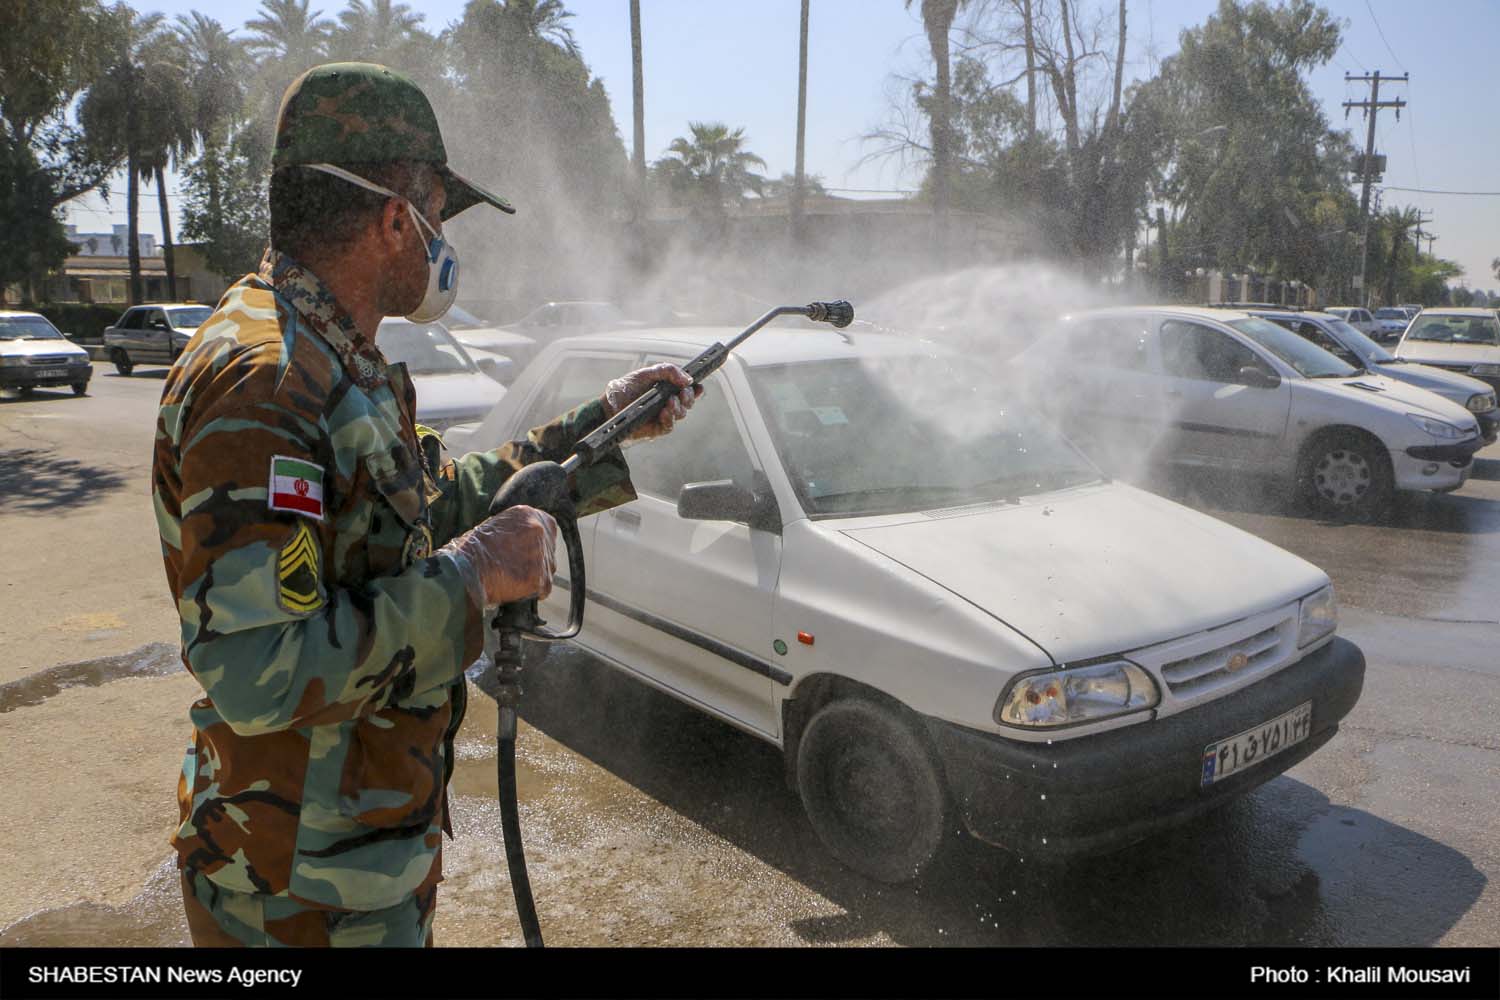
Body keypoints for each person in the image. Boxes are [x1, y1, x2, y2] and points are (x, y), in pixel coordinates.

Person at [151, 62, 700, 947]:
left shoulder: (335, 360)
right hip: (291, 891)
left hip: (352, 857)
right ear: (393, 217)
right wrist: (474, 578)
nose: (446, 240)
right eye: (441, 213)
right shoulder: (267, 382)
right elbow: (258, 672)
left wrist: (604, 426)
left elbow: (429, 507)